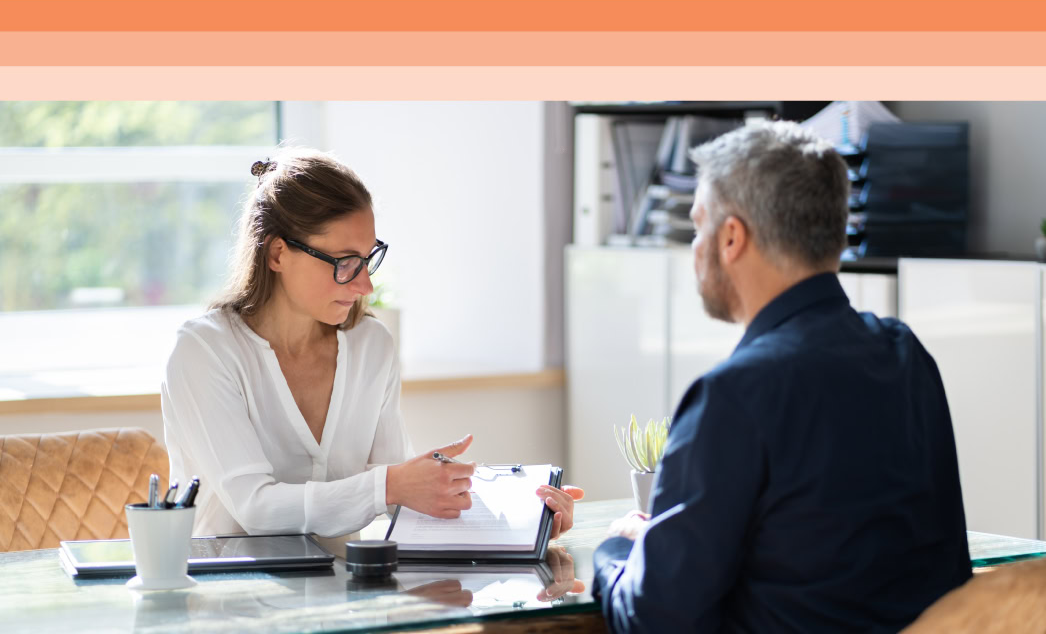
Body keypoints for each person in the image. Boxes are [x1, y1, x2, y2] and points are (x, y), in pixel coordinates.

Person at [592, 120, 970, 633]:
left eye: (698, 225)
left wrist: (617, 552)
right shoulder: (907, 357)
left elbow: (653, 618)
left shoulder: (732, 396)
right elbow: (944, 569)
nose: (695, 247)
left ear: (731, 237)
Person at [161, 148, 582, 539]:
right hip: (231, 590)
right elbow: (256, 508)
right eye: (345, 263)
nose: (365, 285)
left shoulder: (371, 345)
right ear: (277, 255)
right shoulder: (205, 351)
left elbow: (403, 497)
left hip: (345, 586)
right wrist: (390, 485)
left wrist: (525, 518)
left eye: (367, 259)